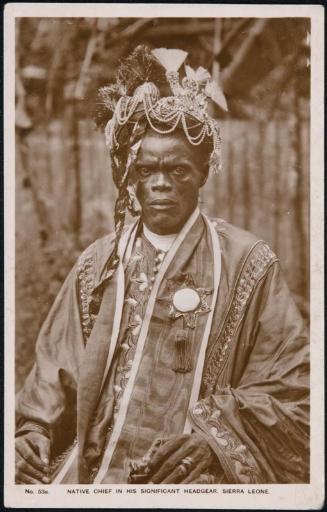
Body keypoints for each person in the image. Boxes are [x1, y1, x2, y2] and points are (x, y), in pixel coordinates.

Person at [15, 46, 309, 485]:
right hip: (95, 463)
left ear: (204, 172)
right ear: (130, 175)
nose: (160, 184)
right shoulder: (99, 262)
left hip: (198, 472)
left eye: (178, 171)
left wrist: (213, 438)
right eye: (146, 169)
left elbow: (293, 390)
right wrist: (34, 430)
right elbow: (56, 369)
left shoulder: (249, 263)